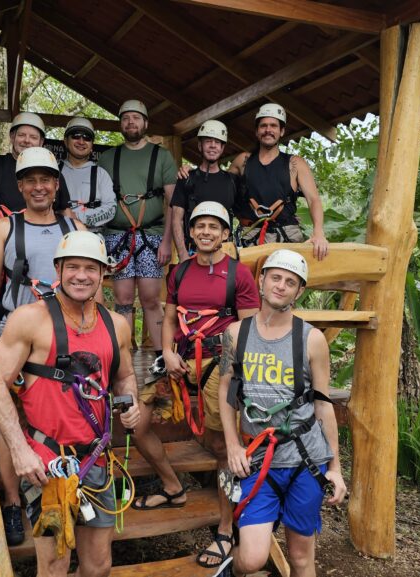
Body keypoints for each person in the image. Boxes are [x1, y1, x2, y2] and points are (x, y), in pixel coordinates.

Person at [0, 230, 140, 577]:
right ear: (58, 269)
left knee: (99, 564)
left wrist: (131, 403)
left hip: (95, 457)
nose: (81, 275)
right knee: (54, 565)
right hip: (47, 461)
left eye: (90, 268)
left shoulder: (116, 325)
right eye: (72, 267)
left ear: (103, 274)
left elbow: (124, 375)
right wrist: (20, 450)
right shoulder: (29, 319)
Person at [131, 201, 259, 570]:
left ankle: (224, 528)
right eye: (199, 225)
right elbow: (170, 317)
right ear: (190, 231)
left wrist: (233, 371)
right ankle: (173, 487)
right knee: (136, 421)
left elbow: (248, 328)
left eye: (213, 227)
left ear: (224, 234)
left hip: (219, 360)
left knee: (221, 444)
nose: (205, 231)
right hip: (178, 359)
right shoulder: (181, 272)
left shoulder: (239, 275)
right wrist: (168, 352)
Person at [0, 146, 83, 547]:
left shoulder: (75, 230)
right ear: (20, 186)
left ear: (56, 185)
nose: (38, 187)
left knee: (59, 414)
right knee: (11, 419)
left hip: (61, 338)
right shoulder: (4, 228)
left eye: (46, 180)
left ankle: (65, 489)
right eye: (30, 180)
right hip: (15, 335)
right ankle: (13, 501)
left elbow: (91, 286)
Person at [217, 249, 347, 577]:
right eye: (275, 277)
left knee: (301, 557)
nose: (281, 286)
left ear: (299, 291)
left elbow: (322, 404)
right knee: (253, 558)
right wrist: (232, 445)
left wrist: (335, 468)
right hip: (259, 458)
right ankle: (232, 568)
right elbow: (226, 392)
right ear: (261, 281)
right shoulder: (235, 334)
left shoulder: (313, 340)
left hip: (304, 458)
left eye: (290, 282)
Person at [98, 100, 177, 377]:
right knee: (122, 299)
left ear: (145, 123)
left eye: (136, 118)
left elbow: (172, 202)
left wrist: (167, 241)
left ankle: (159, 357)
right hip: (117, 236)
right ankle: (122, 357)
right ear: (121, 124)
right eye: (126, 119)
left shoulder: (162, 156)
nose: (131, 123)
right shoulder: (107, 158)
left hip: (153, 235)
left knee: (151, 299)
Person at [231, 104, 328, 259]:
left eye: (273, 126)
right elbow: (221, 185)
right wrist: (191, 171)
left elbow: (313, 199)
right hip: (250, 235)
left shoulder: (295, 164)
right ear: (257, 131)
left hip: (286, 234)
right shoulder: (243, 161)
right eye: (263, 126)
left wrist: (318, 232)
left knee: (287, 282)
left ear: (281, 131)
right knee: (248, 283)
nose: (268, 130)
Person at [0, 112, 73, 235]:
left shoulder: (52, 172)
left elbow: (65, 211)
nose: (27, 141)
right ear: (12, 137)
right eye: (22, 135)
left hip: (39, 246)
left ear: (41, 142)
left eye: (33, 137)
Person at [170, 120, 238, 261]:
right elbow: (177, 219)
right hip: (193, 253)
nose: (213, 145)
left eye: (217, 142)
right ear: (200, 146)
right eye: (208, 141)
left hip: (224, 253)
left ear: (222, 148)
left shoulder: (231, 181)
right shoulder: (186, 178)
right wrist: (182, 254)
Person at [59, 117, 117, 233]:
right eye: (76, 136)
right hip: (58, 236)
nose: (81, 141)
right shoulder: (53, 170)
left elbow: (111, 208)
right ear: (65, 141)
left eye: (87, 138)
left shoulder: (100, 174)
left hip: (92, 237)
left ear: (91, 145)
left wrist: (76, 216)